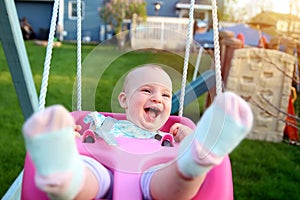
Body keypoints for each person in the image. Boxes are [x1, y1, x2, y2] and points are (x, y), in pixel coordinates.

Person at [22, 65, 253, 199]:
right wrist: (70, 134)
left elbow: (173, 144)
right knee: (90, 174)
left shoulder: (169, 135)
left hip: (153, 172)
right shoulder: (104, 121)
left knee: (168, 178)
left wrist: (187, 137)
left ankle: (193, 161)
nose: (157, 98)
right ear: (123, 100)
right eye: (146, 90)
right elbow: (84, 130)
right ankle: (63, 175)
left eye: (165, 95)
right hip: (104, 166)